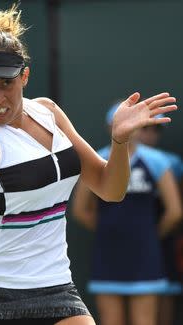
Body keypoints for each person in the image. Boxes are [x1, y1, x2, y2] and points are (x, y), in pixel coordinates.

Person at [0, 3, 178, 325]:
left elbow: (110, 189)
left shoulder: (49, 113)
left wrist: (120, 141)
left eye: (6, 83)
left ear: (25, 76)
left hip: (54, 290)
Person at [71, 103, 182, 325]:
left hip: (146, 257)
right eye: (119, 123)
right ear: (110, 126)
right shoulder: (95, 160)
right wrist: (109, 232)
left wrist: (149, 237)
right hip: (108, 256)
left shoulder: (157, 161)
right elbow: (81, 210)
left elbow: (174, 211)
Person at [136, 120, 183, 325]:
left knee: (164, 297)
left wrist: (154, 236)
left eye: (156, 129)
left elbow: (175, 209)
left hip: (164, 244)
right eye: (146, 128)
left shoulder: (171, 162)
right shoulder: (109, 158)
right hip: (123, 249)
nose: (151, 134)